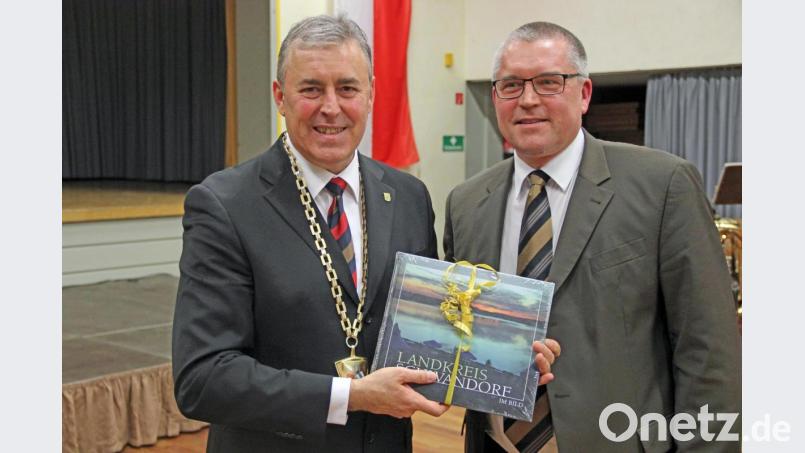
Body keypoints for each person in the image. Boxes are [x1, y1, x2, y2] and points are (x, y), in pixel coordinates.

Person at [172, 15, 557, 452]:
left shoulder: (409, 196)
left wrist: (511, 353)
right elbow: (202, 379)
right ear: (281, 96)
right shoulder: (225, 205)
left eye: (348, 88)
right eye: (311, 89)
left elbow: (432, 326)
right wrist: (351, 397)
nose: (331, 107)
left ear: (371, 93)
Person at [444, 22, 740, 452]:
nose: (527, 99)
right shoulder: (466, 203)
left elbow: (708, 352)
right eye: (510, 85)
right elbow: (463, 334)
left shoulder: (663, 185)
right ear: (495, 97)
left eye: (548, 82)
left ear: (583, 94)